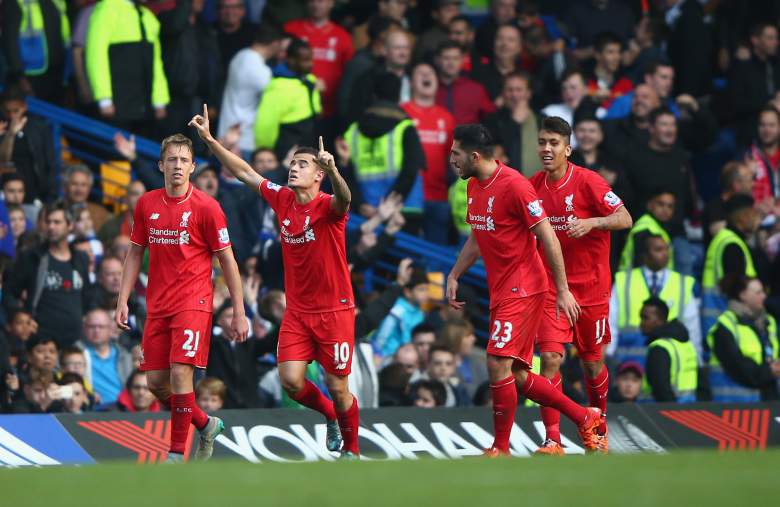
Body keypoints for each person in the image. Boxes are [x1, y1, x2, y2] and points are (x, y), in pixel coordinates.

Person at [190, 107, 360, 459]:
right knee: (292, 381)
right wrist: (209, 140)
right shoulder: (282, 199)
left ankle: (352, 451)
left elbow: (346, 199)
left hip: (335, 310)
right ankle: (329, 415)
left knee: (338, 386)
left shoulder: (329, 206)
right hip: (298, 312)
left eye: (302, 164)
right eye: (293, 163)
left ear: (318, 175)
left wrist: (334, 170)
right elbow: (245, 172)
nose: (293, 168)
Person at [446, 123, 603, 456]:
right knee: (516, 373)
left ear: (474, 155)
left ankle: (500, 448)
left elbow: (547, 235)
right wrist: (455, 273)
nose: (451, 160)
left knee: (497, 362)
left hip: (525, 286)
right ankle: (583, 415)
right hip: (502, 289)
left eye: (456, 154)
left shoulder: (515, 185)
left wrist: (561, 289)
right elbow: (478, 235)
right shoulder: (474, 186)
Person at [115, 133, 248, 463]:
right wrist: (122, 299)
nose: (177, 166)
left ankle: (176, 454)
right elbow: (134, 254)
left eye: (183, 160)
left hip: (194, 301)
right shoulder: (146, 203)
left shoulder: (207, 207)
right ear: (161, 166)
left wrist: (239, 310)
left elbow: (228, 260)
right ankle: (205, 423)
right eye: (171, 160)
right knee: (157, 384)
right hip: (157, 305)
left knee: (179, 374)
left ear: (192, 166)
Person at [528, 116, 632, 455]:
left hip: (592, 290)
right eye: (542, 142)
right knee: (551, 359)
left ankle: (598, 428)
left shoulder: (589, 182)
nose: (546, 148)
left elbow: (625, 218)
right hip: (553, 290)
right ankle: (552, 438)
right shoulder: (532, 186)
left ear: (567, 149)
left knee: (591, 362)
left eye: (553, 143)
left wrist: (592, 222)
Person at [5, 201, 96, 348]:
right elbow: (10, 292)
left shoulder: (81, 258)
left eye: (57, 222)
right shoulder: (32, 257)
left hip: (74, 343)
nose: (51, 227)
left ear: (70, 225)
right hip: (41, 343)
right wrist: (20, 316)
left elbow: (87, 296)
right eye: (48, 222)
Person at [344, 73, 425, 220]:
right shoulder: (405, 127)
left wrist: (359, 203)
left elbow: (346, 174)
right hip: (404, 208)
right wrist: (389, 204)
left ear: (373, 95)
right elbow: (411, 169)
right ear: (399, 96)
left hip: (366, 209)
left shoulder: (352, 131)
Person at [610, 234, 700, 366]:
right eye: (658, 250)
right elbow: (611, 323)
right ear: (645, 255)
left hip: (668, 362)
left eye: (666, 249)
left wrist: (696, 359)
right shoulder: (625, 281)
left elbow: (692, 327)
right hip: (629, 364)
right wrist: (609, 356)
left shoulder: (682, 283)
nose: (665, 254)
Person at [85, 0, 169, 132]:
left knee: (141, 149)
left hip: (145, 107)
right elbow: (96, 56)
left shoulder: (148, 16)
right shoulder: (107, 9)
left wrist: (159, 101)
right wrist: (104, 99)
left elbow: (156, 64)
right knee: (117, 150)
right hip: (117, 105)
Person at [400, 62, 456, 244]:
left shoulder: (446, 118)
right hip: (407, 198)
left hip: (439, 197)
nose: (426, 76)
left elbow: (455, 159)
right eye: (420, 73)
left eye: (430, 73)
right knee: (406, 253)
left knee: (435, 257)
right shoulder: (402, 112)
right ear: (411, 82)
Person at [706, 275, 779, 402]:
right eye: (758, 292)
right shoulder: (726, 325)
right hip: (734, 408)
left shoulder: (769, 322)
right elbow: (737, 365)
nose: (764, 296)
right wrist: (769, 372)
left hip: (768, 400)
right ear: (743, 295)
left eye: (763, 291)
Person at [217, 24, 282, 157]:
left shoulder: (241, 56)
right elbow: (279, 96)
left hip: (229, 131)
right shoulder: (257, 68)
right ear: (275, 44)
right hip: (242, 139)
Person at [284, 0, 354, 119]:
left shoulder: (342, 36)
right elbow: (279, 63)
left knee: (321, 138)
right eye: (312, 1)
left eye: (321, 1)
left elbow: (349, 73)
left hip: (329, 110)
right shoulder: (291, 29)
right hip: (293, 108)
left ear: (331, 3)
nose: (316, 4)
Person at [702, 195, 760, 337]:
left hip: (718, 319)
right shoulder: (732, 245)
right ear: (742, 217)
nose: (758, 218)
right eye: (753, 213)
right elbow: (736, 290)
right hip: (728, 323)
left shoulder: (724, 238)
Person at [254, 38, 321, 160]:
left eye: (311, 59)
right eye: (305, 60)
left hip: (308, 140)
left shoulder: (309, 79)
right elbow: (266, 123)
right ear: (291, 60)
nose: (311, 64)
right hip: (287, 145)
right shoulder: (278, 86)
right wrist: (266, 151)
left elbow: (316, 108)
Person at [1, 0, 69, 102]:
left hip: (57, 71)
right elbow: (10, 41)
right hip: (31, 75)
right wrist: (20, 77)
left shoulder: (57, 1)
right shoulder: (15, 2)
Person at [0, 86, 57, 204]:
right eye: (7, 111)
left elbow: (50, 164)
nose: (11, 116)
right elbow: (2, 161)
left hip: (35, 196)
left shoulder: (39, 128)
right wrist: (11, 134)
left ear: (24, 106)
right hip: (5, 195)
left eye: (16, 111)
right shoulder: (1, 128)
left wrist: (50, 197)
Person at [729, 22, 780, 148]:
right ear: (755, 40)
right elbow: (735, 104)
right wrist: (769, 103)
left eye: (776, 38)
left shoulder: (775, 66)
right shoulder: (742, 67)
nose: (775, 42)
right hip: (750, 130)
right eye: (770, 38)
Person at [640, 298, 698, 403]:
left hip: (661, 412)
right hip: (689, 410)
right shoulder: (686, 343)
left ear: (659, 320)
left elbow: (661, 387)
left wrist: (671, 410)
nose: (641, 323)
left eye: (645, 318)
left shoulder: (659, 347)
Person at [484, 72, 541, 177]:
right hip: (507, 186)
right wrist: (514, 123)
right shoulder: (493, 120)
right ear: (503, 93)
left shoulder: (541, 120)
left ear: (528, 93)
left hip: (539, 187)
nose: (514, 94)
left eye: (519, 90)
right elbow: (491, 156)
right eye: (510, 90)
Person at [373, 267, 429, 362]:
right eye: (421, 289)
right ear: (408, 292)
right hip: (385, 356)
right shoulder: (397, 310)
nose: (426, 294)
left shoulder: (419, 313)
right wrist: (377, 354)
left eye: (427, 289)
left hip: (404, 357)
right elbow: (383, 335)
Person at [78, 308, 133, 405]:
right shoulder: (75, 353)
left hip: (123, 409)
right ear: (84, 328)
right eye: (92, 326)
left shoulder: (125, 356)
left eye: (101, 327)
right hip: (91, 410)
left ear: (111, 329)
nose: (96, 331)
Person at [434, 41, 495, 125]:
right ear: (437, 60)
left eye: (455, 58)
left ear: (462, 60)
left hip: (466, 137)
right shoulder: (428, 88)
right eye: (446, 58)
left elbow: (491, 118)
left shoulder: (476, 89)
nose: (451, 63)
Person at [619, 188, 676, 271]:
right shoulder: (645, 229)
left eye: (670, 206)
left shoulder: (656, 227)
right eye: (661, 204)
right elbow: (640, 263)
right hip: (638, 281)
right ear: (649, 205)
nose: (665, 210)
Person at [701, 161, 754, 247]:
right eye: (749, 180)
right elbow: (717, 232)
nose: (753, 184)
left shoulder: (746, 206)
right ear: (736, 185)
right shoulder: (715, 207)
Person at [541, 70, 599, 146]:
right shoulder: (550, 113)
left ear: (586, 89)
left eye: (573, 87)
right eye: (564, 88)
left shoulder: (599, 113)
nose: (568, 92)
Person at [747, 106, 780, 215]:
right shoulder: (748, 156)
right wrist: (748, 175)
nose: (766, 130)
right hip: (759, 218)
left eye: (771, 125)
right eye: (762, 125)